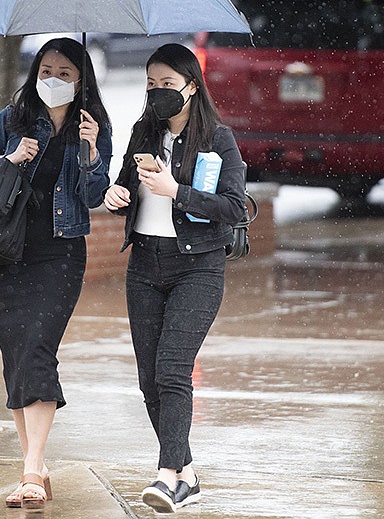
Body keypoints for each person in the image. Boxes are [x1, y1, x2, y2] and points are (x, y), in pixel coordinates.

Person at [0, 37, 112, 510]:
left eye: (66, 73)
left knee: (37, 349)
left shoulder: (92, 127)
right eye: (46, 70)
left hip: (61, 255)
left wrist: (90, 155)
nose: (54, 80)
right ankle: (37, 466)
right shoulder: (11, 121)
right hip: (7, 253)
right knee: (17, 358)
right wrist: (10, 159)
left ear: (81, 81)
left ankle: (30, 471)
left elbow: (93, 196)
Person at [104, 43, 245, 513]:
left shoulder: (218, 139)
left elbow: (233, 208)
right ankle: (185, 471)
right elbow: (125, 180)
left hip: (198, 267)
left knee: (172, 371)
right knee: (149, 380)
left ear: (191, 86)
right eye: (150, 85)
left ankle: (167, 478)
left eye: (167, 85)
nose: (158, 93)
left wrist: (176, 192)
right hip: (144, 264)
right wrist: (116, 192)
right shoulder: (143, 131)